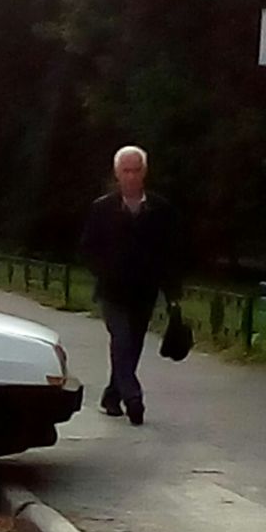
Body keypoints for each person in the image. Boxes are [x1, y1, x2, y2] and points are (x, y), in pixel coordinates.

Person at [79, 146, 184, 426]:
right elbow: (88, 248)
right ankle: (133, 397)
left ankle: (112, 395)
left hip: (144, 291)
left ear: (144, 172)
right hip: (112, 291)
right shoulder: (102, 208)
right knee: (122, 339)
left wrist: (173, 293)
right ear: (117, 174)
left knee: (133, 345)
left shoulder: (160, 209)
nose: (131, 176)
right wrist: (104, 271)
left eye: (136, 170)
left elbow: (170, 252)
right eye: (126, 171)